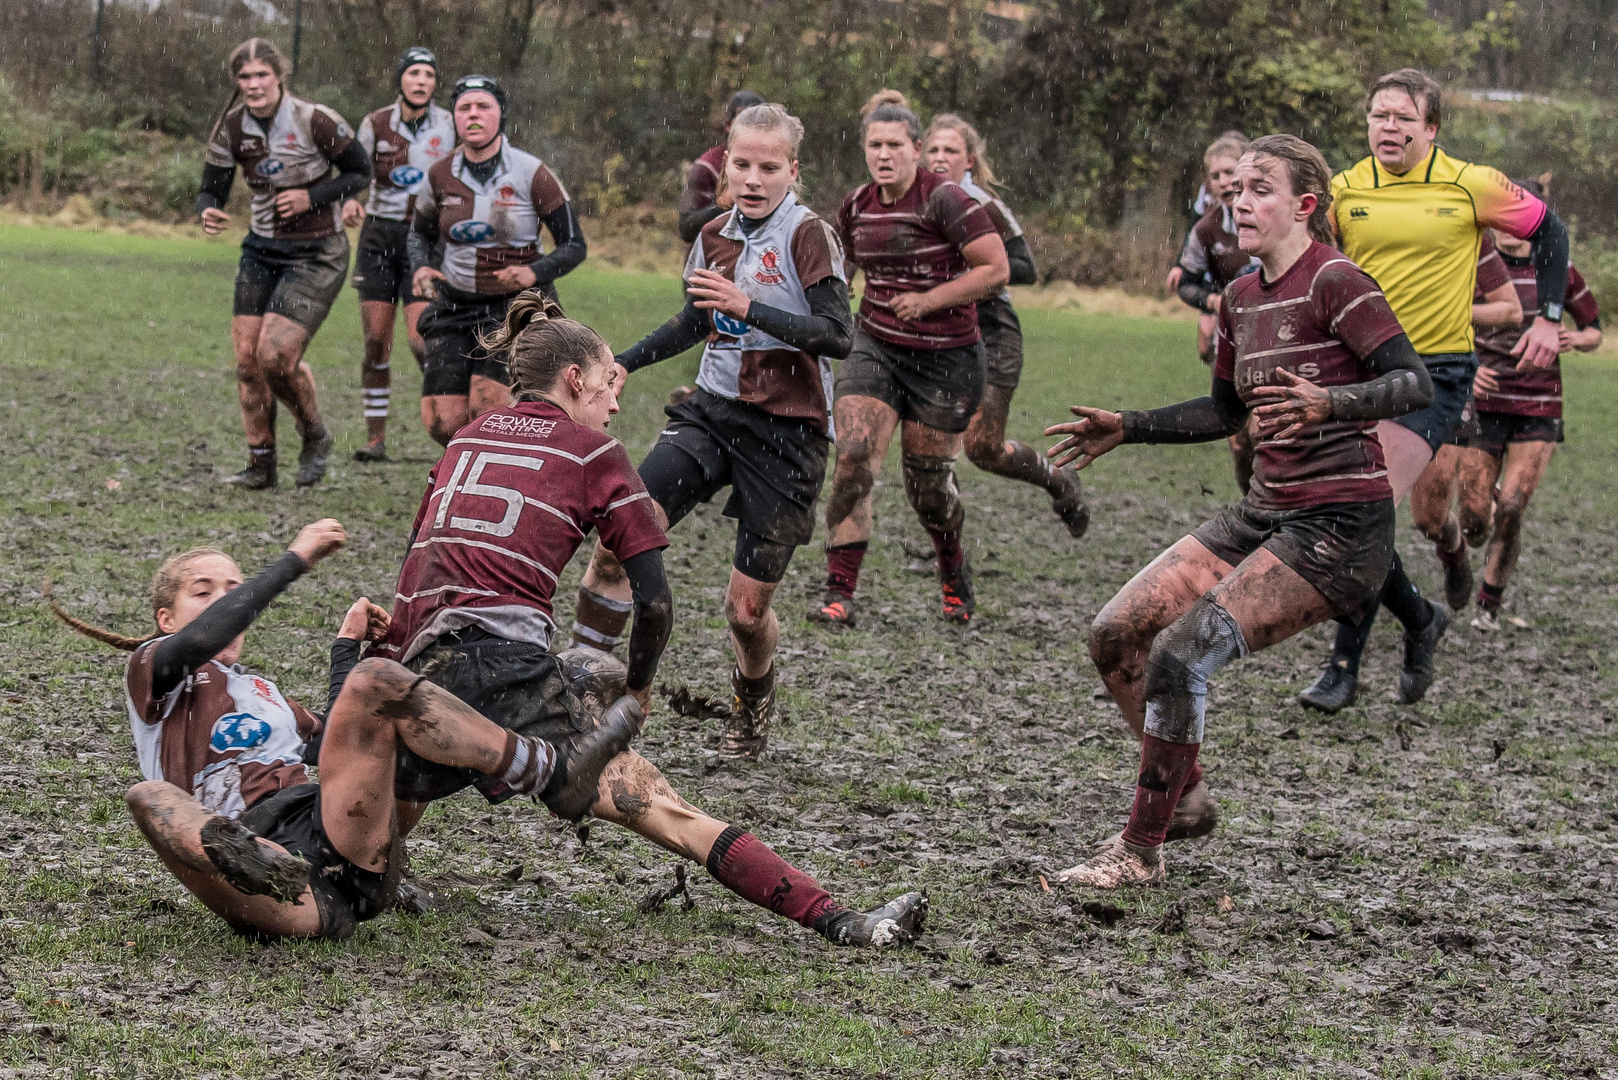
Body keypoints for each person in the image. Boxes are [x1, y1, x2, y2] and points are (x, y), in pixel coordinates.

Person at [369, 294, 928, 946]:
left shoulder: (465, 438)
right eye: (609, 383)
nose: (614, 403)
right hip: (508, 677)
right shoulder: (593, 452)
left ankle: (382, 874)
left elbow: (417, 564)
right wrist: (635, 691)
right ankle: (843, 921)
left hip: (419, 669)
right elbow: (656, 602)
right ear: (574, 380)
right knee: (664, 810)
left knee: (383, 814)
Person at [1047, 135, 1433, 887]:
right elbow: (1226, 412)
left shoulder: (1337, 281)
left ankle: (1139, 851)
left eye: (1261, 188)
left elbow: (1412, 382)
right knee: (1115, 633)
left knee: (1181, 652)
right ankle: (1182, 799)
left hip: (1341, 529)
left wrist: (1332, 403)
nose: (1240, 201)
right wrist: (1130, 423)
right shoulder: (1241, 299)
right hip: (1266, 512)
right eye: (1235, 191)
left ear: (1305, 205)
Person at [51, 522, 610, 939]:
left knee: (376, 682)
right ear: (165, 620)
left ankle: (548, 768)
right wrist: (293, 560)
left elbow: (331, 751)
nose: (225, 600)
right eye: (204, 591)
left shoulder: (266, 696)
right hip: (285, 894)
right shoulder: (154, 674)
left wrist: (347, 647)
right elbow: (202, 641)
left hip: (338, 843)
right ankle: (255, 860)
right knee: (149, 796)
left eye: (233, 586)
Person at [569, 104, 852, 759]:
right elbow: (698, 321)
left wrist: (749, 307)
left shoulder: (810, 236)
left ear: (793, 171)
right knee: (619, 533)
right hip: (712, 413)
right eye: (742, 164)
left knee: (745, 614)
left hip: (790, 434)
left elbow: (838, 335)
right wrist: (626, 361)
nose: (753, 178)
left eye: (769, 167)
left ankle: (752, 704)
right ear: (725, 164)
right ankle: (579, 691)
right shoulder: (714, 235)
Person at [1297, 67, 1571, 713]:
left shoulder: (1469, 183)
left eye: (1401, 117)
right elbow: (1313, 269)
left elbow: (1550, 231)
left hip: (1435, 374)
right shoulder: (1342, 189)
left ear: (1431, 127)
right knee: (1346, 510)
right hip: (1360, 367)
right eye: (1377, 116)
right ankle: (1420, 619)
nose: (1386, 127)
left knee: (1369, 507)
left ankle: (1344, 665)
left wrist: (1550, 320)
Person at [809, 90, 1010, 627]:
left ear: (916, 149)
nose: (883, 154)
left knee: (928, 489)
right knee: (852, 459)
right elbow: (841, 269)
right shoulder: (856, 204)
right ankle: (838, 592)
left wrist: (929, 300)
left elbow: (995, 269)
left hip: (947, 360)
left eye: (894, 145)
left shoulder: (945, 200)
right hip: (875, 345)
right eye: (874, 144)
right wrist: (823, 316)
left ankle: (952, 572)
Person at [197, 38, 372, 489]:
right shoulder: (230, 126)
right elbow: (212, 185)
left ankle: (314, 433)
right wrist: (208, 208)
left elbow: (361, 171)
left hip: (317, 251)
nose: (253, 85)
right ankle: (261, 463)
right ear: (236, 82)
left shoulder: (315, 119)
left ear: (279, 77)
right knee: (246, 362)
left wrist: (312, 196)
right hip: (261, 248)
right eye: (244, 77)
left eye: (261, 75)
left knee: (275, 356)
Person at [1423, 220, 1601, 631]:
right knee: (1473, 519)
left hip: (1539, 404)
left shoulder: (1559, 270)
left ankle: (1489, 605)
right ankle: (1462, 555)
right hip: (1483, 405)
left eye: (1519, 226)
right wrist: (1469, 371)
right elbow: (1441, 323)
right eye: (1502, 226)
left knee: (1513, 507)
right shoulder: (1473, 267)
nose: (1510, 234)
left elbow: (1593, 330)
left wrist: (1576, 338)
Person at [923, 113, 1089, 536]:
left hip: (990, 331)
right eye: (934, 150)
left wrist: (965, 278)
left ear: (970, 161)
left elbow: (1025, 267)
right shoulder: (914, 203)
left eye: (951, 151)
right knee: (930, 447)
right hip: (935, 335)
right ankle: (948, 546)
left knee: (983, 447)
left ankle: (1058, 479)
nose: (941, 158)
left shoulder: (983, 205)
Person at [408, 74, 587, 445]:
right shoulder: (440, 174)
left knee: (489, 408)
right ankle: (479, 469)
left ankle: (498, 482)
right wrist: (421, 264)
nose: (473, 115)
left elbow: (574, 245)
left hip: (512, 306)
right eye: (464, 108)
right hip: (455, 304)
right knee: (441, 421)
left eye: (483, 106)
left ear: (500, 115)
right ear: (454, 117)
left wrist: (532, 272)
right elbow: (418, 233)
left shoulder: (531, 172)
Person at [342, 47, 456, 462]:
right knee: (376, 341)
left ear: (435, 84)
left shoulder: (450, 124)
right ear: (401, 81)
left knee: (422, 340)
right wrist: (350, 200)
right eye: (414, 74)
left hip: (424, 238)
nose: (421, 81)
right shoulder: (375, 123)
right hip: (379, 236)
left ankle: (450, 421)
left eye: (429, 74)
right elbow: (352, 168)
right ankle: (375, 439)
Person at [1404, 230, 1520, 609]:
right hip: (1390, 375)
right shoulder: (1372, 233)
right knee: (1428, 521)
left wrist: (1450, 315)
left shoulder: (1463, 241)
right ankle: (1453, 555)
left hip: (1445, 377)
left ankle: (1468, 537)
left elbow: (1509, 310)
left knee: (1474, 520)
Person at [1170, 131, 1264, 492]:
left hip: (1278, 337)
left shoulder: (1274, 214)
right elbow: (1187, 282)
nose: (1224, 182)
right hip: (1234, 339)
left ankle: (1281, 514)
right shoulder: (1207, 228)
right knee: (1240, 440)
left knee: (1265, 432)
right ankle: (1254, 509)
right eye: (1216, 176)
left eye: (1231, 172)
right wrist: (1212, 302)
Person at [677, 89, 765, 244]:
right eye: (744, 122)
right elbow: (686, 228)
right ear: (728, 125)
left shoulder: (775, 166)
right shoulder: (707, 167)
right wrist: (723, 205)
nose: (751, 130)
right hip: (711, 259)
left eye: (758, 124)